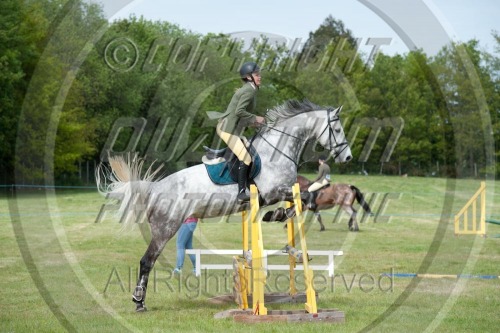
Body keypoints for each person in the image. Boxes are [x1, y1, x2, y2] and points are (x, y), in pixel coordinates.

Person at [216, 61, 266, 202]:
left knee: (249, 155)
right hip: (227, 129)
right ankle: (241, 193)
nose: (260, 77)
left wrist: (254, 122)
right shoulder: (249, 90)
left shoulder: (251, 89)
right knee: (246, 158)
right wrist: (256, 118)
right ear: (249, 77)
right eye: (257, 75)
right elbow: (239, 111)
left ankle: (249, 185)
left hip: (233, 128)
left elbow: (240, 114)